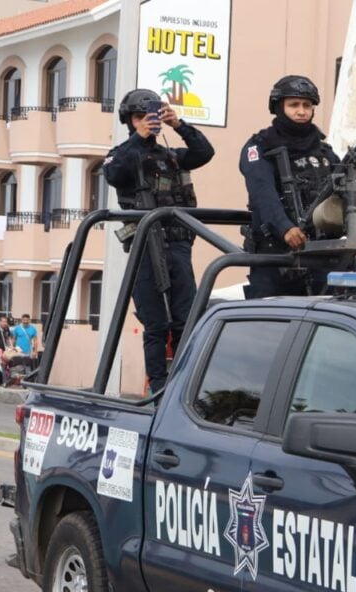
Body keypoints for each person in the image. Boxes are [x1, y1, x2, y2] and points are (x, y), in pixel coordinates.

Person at [103, 88, 214, 393]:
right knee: (155, 326)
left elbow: (205, 152)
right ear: (130, 121)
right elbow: (113, 173)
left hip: (177, 245)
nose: (145, 122)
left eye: (149, 116)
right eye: (139, 117)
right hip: (145, 248)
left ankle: (183, 385)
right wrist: (138, 136)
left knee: (185, 320)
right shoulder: (124, 154)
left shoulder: (172, 156)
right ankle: (158, 388)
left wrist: (179, 125)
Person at [239, 75, 341, 298]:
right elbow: (262, 193)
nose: (302, 111)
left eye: (307, 105)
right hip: (274, 255)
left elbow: (343, 199)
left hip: (320, 255)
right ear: (278, 107)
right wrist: (284, 227)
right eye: (293, 105)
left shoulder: (325, 153)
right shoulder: (259, 147)